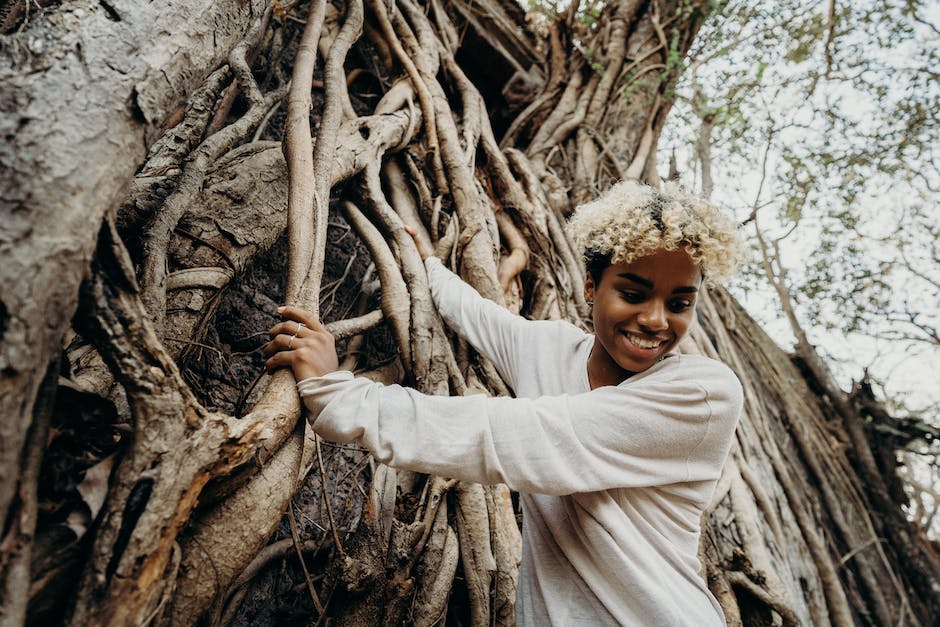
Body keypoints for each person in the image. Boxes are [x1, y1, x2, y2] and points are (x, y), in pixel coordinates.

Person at [264, 180, 745, 626]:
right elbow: (479, 316)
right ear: (591, 287)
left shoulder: (704, 396)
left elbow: (522, 435)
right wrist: (425, 263)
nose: (656, 320)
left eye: (680, 303)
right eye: (633, 293)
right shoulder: (551, 348)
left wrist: (341, 397)